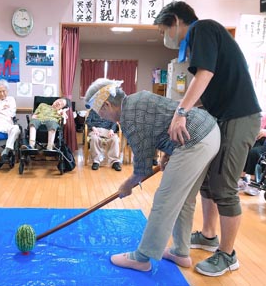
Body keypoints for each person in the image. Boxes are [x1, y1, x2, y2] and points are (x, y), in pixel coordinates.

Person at [154, 1, 261, 276]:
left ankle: (227, 255)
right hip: (221, 118)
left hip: (239, 117)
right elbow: (204, 90)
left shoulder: (203, 29)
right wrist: (184, 111)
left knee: (224, 186)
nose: (165, 35)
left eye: (165, 29)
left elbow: (205, 74)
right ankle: (209, 236)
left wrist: (181, 112)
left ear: (176, 21)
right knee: (207, 183)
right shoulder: (200, 40)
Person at [84, 78, 220, 272]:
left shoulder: (129, 118)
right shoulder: (137, 99)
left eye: (100, 112)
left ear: (107, 105)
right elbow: (164, 120)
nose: (102, 117)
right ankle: (180, 252)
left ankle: (141, 258)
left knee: (165, 199)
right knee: (184, 199)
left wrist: (127, 185)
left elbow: (143, 168)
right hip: (209, 132)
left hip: (194, 141)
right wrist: (168, 153)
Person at [238, 111, 266, 196]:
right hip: (263, 140)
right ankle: (242, 178)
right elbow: (259, 126)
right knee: (246, 148)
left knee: (255, 153)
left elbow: (264, 131)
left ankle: (254, 182)